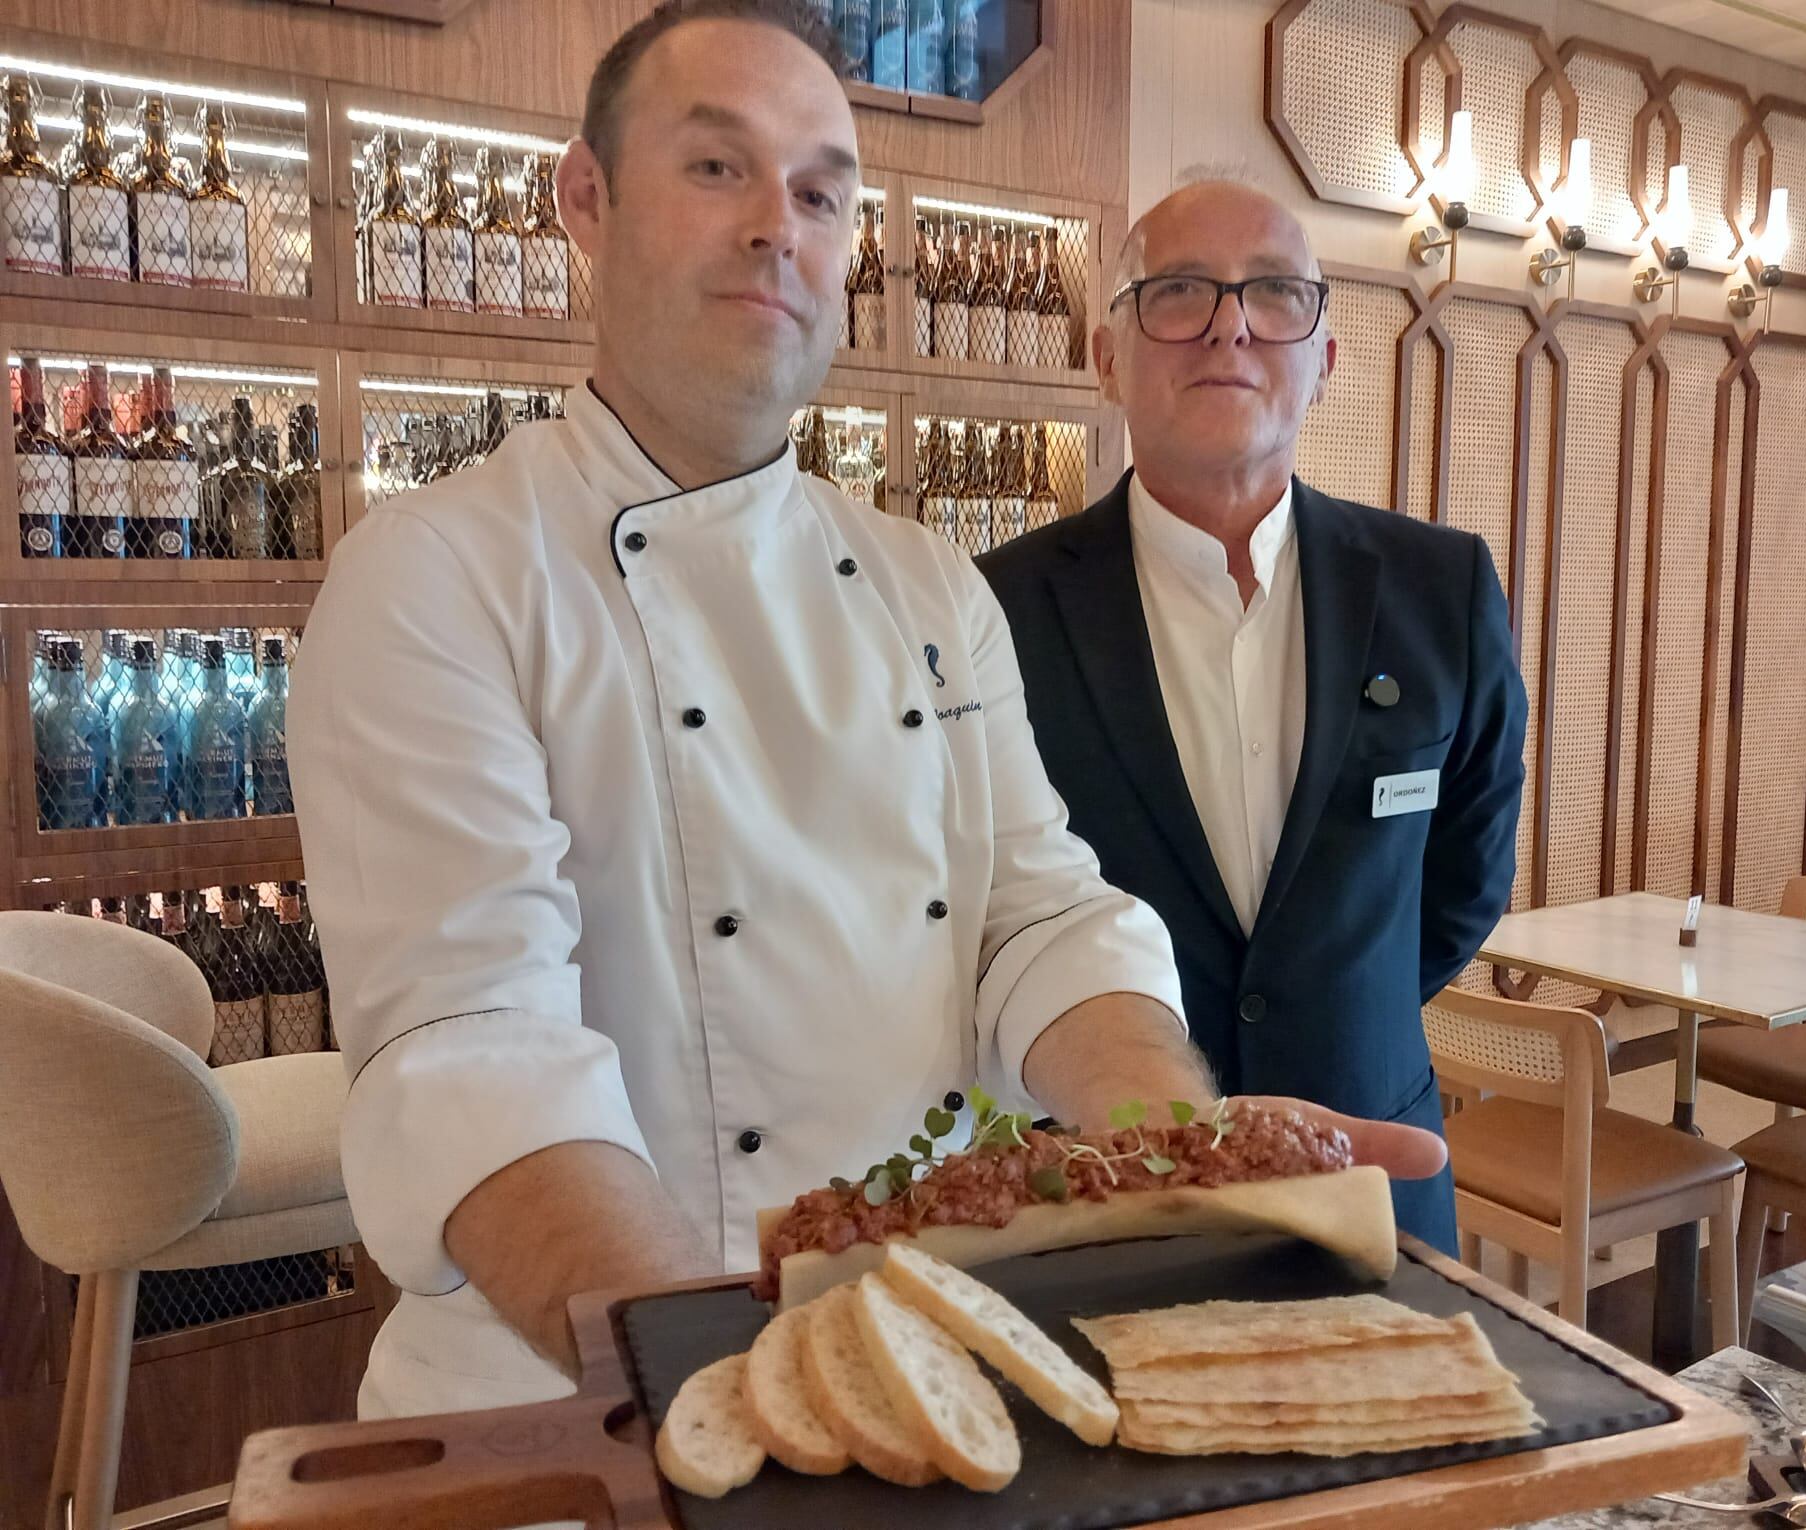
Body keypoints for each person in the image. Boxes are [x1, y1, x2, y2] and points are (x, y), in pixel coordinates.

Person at [290, 8, 1446, 1421]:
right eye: (719, 169)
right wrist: (729, 1385)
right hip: (566, 1403)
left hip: (903, 1358)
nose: (781, 228)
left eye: (823, 191)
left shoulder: (927, 588)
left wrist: (1170, 1135)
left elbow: (1037, 915)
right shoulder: (436, 577)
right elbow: (478, 1055)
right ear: (584, 201)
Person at [978, 177, 1526, 1253]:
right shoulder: (994, 608)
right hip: (1102, 1187)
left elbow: (1467, 882)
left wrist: (1336, 1004)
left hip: (1372, 1171)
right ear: (1107, 356)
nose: (1230, 325)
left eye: (1274, 294)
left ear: (1322, 358)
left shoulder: (1439, 590)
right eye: (1179, 290)